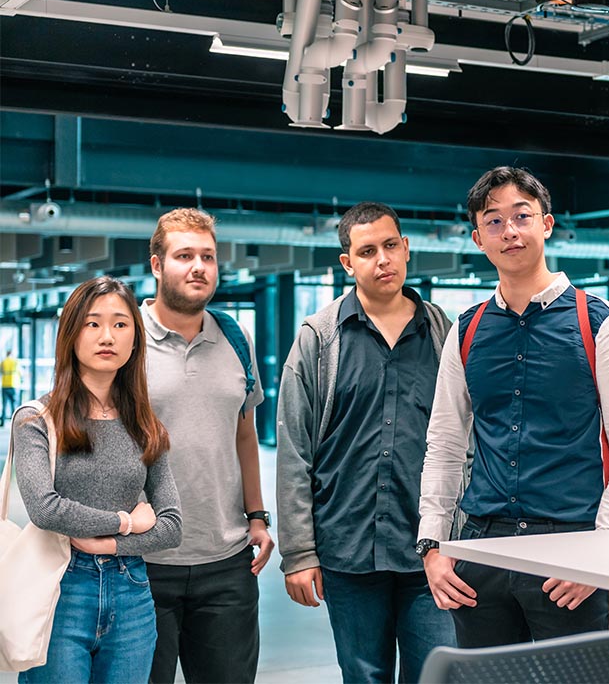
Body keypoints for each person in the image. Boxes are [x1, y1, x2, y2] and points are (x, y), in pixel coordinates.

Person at [418, 166, 609, 647]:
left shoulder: (600, 324)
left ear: (546, 224)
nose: (510, 231)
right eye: (494, 221)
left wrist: (600, 554)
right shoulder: (465, 332)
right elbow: (443, 445)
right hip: (480, 554)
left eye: (522, 216)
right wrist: (432, 547)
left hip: (570, 554)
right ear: (478, 238)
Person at [277, 202, 456, 683]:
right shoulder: (320, 339)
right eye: (368, 250)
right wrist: (298, 552)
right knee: (364, 678)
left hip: (431, 550)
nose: (383, 260)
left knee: (436, 674)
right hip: (347, 550)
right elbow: (294, 451)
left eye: (391, 245)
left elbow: (469, 441)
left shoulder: (445, 335)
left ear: (407, 249)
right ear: (347, 263)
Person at [13, 276, 181, 684]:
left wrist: (107, 543)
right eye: (93, 323)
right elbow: (45, 508)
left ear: (135, 340)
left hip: (132, 594)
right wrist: (128, 523)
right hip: (59, 590)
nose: (108, 335)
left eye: (121, 324)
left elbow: (172, 525)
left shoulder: (144, 424)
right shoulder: (36, 419)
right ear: (71, 334)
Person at [141, 208, 273, 684]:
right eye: (184, 256)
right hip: (141, 563)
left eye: (208, 256)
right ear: (157, 265)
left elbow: (244, 432)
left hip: (226, 563)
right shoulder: (126, 338)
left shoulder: (235, 338)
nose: (198, 267)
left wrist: (257, 516)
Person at [1, 349, 20, 426]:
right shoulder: (15, 362)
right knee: (14, 404)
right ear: (12, 354)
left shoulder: (3, 362)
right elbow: (20, 372)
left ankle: (3, 422)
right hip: (13, 385)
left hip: (5, 385)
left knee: (4, 404)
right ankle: (14, 422)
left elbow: (1, 371)